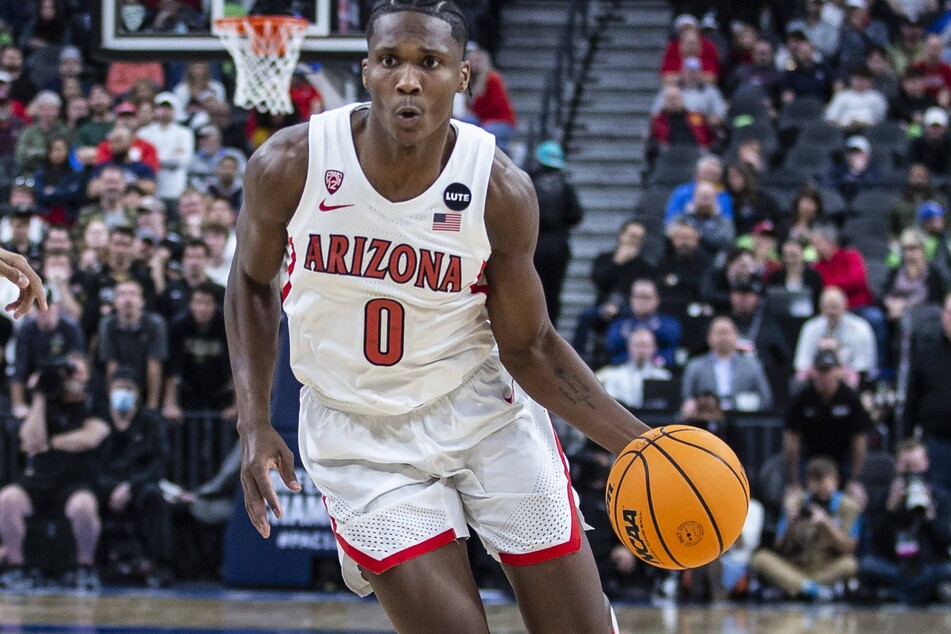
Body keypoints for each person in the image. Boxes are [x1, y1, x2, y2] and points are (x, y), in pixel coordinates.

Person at [225, 2, 653, 630]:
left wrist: (641, 446)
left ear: (462, 78)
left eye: (430, 63)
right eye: (391, 61)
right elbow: (251, 282)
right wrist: (254, 421)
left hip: (483, 415)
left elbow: (530, 346)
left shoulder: (499, 191)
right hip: (359, 435)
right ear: (366, 71)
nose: (408, 79)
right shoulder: (291, 165)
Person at [0, 353, 109, 590]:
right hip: (39, 480)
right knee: (7, 499)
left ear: (88, 377)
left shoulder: (94, 402)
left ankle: (85, 567)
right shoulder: (47, 401)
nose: (71, 377)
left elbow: (90, 437)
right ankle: (17, 567)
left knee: (84, 507)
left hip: (77, 480)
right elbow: (29, 440)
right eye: (66, 372)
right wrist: (40, 395)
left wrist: (49, 442)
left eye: (77, 371)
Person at [750, 456, 862, 601]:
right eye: (816, 485)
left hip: (826, 568)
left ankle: (798, 587)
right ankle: (813, 589)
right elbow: (781, 549)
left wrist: (826, 524)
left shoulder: (849, 507)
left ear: (836, 481)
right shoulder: (794, 503)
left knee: (850, 564)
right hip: (796, 566)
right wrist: (790, 524)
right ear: (808, 483)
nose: (821, 491)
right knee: (760, 558)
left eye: (825, 485)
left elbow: (849, 550)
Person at [859, 438, 951, 605]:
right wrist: (890, 510)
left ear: (926, 464)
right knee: (867, 565)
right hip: (895, 566)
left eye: (916, 465)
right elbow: (873, 541)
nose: (912, 471)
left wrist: (931, 517)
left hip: (928, 567)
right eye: (906, 466)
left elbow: (945, 542)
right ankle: (925, 593)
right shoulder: (884, 495)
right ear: (897, 466)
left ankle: (893, 593)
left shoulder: (940, 497)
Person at [784, 348, 871, 501]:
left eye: (829, 370)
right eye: (820, 370)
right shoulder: (801, 399)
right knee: (792, 500)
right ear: (813, 372)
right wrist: (795, 481)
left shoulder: (851, 399)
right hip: (810, 460)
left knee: (857, 498)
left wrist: (855, 479)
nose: (825, 375)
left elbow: (860, 441)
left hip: (842, 461)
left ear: (838, 371)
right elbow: (791, 441)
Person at [529, 140, 582, 325]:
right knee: (553, 291)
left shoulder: (529, 182)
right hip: (558, 245)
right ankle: (550, 328)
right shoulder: (565, 185)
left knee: (531, 289)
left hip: (532, 244)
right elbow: (576, 215)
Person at [903, 293, 951, 492]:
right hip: (935, 442)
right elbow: (912, 400)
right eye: (950, 313)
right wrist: (907, 442)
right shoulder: (926, 354)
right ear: (942, 316)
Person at [680, 316, 773, 415]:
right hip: (705, 419)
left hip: (742, 419)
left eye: (727, 333)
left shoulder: (752, 365)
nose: (723, 338)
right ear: (709, 337)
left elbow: (766, 399)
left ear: (737, 336)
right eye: (719, 333)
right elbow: (686, 398)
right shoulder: (695, 365)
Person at [793, 286, 878, 381]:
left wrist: (838, 365)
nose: (832, 312)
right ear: (821, 308)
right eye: (828, 307)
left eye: (835, 307)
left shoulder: (860, 328)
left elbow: (863, 369)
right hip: (817, 383)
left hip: (851, 385)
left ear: (845, 306)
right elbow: (801, 365)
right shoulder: (810, 328)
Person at [603, 278, 681, 367]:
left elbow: (672, 340)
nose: (642, 302)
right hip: (623, 370)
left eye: (646, 297)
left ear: (657, 300)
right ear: (631, 299)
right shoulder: (620, 322)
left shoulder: (668, 322)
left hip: (659, 370)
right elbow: (611, 345)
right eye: (638, 296)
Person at [595, 328, 672, 410]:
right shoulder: (614, 376)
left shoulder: (664, 377)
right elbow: (611, 407)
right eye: (637, 345)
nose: (641, 350)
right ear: (629, 347)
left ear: (654, 348)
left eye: (645, 346)